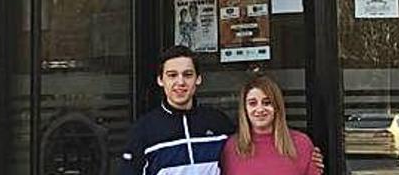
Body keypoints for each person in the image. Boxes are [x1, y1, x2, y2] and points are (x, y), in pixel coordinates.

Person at [120, 46, 323, 175]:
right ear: (160, 80)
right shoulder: (143, 130)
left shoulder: (217, 124)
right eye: (172, 75)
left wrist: (306, 154)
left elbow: (257, 143)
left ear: (198, 79)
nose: (180, 82)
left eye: (188, 74)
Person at [221, 75, 321, 175]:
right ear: (244, 109)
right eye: (252, 103)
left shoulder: (301, 143)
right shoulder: (231, 147)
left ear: (277, 106)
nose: (260, 109)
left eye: (267, 102)